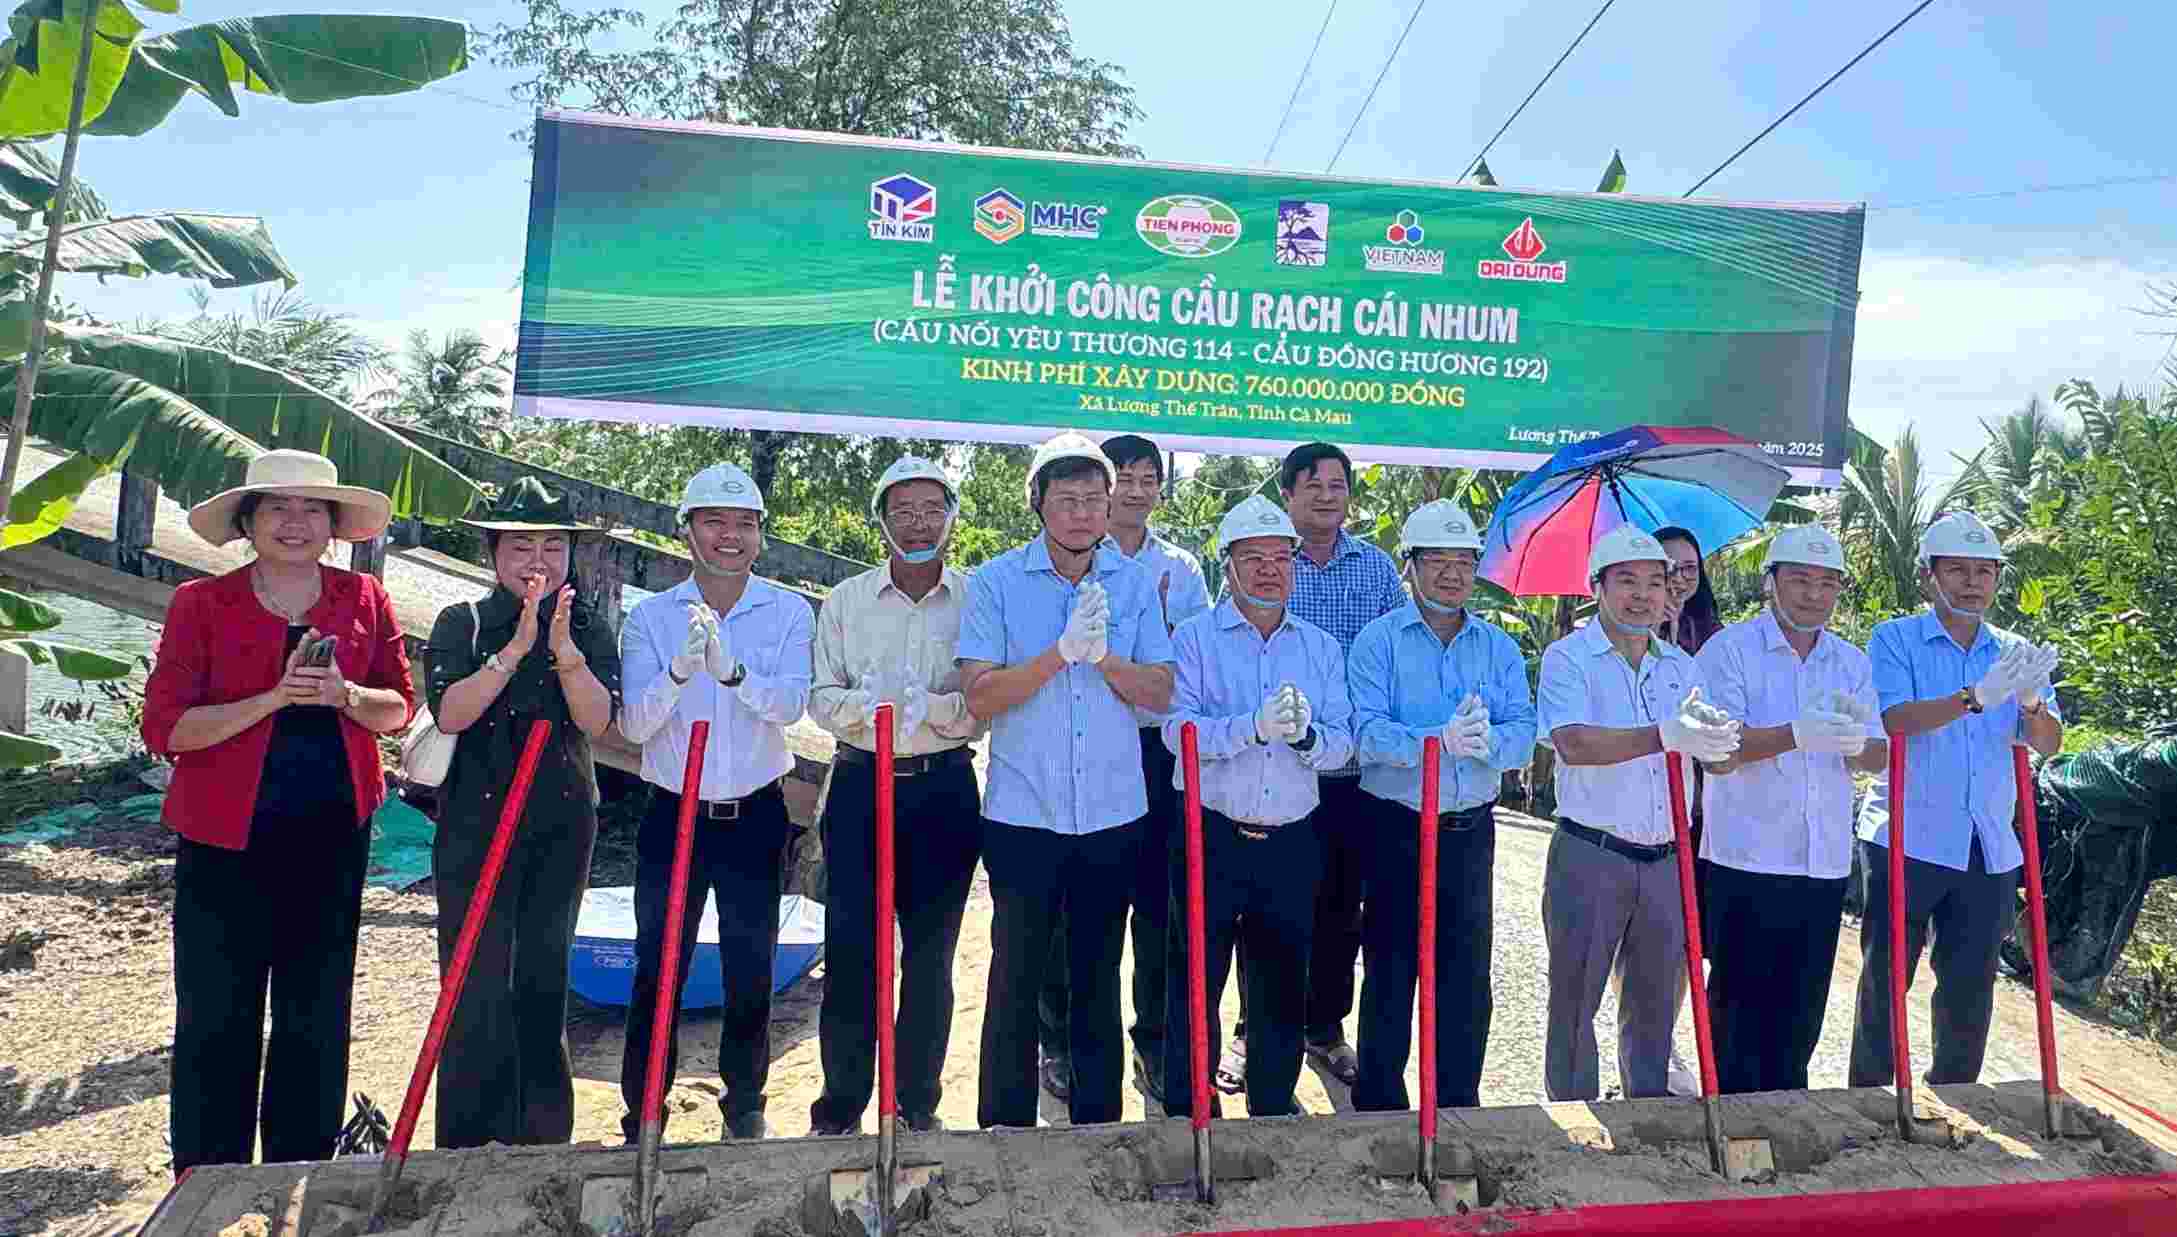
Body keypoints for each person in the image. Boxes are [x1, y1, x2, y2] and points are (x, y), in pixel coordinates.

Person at [142, 450, 414, 1171]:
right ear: (248, 520)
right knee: (215, 1012)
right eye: (277, 508)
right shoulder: (200, 603)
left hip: (333, 836)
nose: (295, 522)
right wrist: (273, 697)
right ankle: (207, 1175)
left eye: (311, 509)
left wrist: (344, 696)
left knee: (316, 1009)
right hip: (222, 839)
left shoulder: (364, 597)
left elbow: (397, 708)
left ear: (333, 523)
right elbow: (167, 729)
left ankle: (301, 1167)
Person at [957, 430, 1175, 1128]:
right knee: (1015, 977)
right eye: (1066, 500)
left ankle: (1098, 1126)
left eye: (1093, 500)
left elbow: (1160, 691)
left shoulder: (1134, 583)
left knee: (1097, 972)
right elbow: (980, 696)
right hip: (1024, 813)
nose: (1081, 514)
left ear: (1110, 506)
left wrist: (1104, 658)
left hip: (1113, 813)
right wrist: (1059, 653)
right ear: (1038, 504)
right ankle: (1004, 1124)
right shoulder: (995, 582)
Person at [618, 462, 814, 1143]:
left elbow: (790, 705)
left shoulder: (787, 611)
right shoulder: (650, 617)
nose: (730, 536)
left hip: (753, 814)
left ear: (760, 534)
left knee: (750, 963)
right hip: (674, 813)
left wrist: (733, 672)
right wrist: (680, 670)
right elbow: (635, 725)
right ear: (687, 530)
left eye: (744, 524)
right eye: (714, 522)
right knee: (658, 965)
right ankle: (644, 1107)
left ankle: (745, 1102)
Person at [424, 476, 621, 1148]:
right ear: (493, 552)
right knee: (474, 980)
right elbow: (452, 713)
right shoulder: (464, 622)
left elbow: (596, 720)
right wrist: (514, 649)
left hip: (560, 820)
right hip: (475, 821)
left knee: (542, 977)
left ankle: (541, 1144)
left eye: (552, 547)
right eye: (520, 546)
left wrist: (562, 649)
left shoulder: (588, 626)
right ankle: (465, 1143)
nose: (537, 560)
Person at [1849, 512, 2062, 1088]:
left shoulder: (2016, 651)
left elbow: (2048, 743)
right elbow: (1893, 719)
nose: (1972, 583)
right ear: (1929, 576)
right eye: (1957, 570)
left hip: (1987, 843)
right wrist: (1973, 697)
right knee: (1886, 979)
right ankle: (1869, 1099)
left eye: (1984, 572)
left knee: (1971, 986)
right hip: (1907, 834)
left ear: (1997, 580)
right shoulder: (1895, 639)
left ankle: (1957, 1095)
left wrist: (2031, 703)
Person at [1216, 442, 1404, 1093]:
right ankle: (1253, 1032)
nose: (1327, 496)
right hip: (1270, 769)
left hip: (1347, 771)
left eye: (1337, 485)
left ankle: (1324, 1027)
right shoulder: (1260, 559)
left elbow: (1392, 654)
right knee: (1264, 912)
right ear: (1288, 494)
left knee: (1339, 909)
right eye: (1313, 485)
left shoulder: (1376, 569)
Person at [807, 457, 986, 1136]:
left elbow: (987, 701)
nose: (919, 523)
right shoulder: (846, 601)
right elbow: (820, 697)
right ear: (880, 520)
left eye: (933, 509)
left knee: (931, 956)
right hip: (861, 784)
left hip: (943, 790)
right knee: (853, 953)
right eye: (904, 510)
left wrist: (938, 709)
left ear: (952, 519)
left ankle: (915, 1105)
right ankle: (840, 1106)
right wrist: (869, 706)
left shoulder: (977, 600)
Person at [1161, 495, 1354, 1117]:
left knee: (1282, 984)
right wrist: (1250, 727)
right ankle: (1190, 1109)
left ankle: (1271, 1109)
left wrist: (1307, 738)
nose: (1270, 570)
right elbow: (1177, 731)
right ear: (1228, 566)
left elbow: (1344, 740)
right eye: (1254, 558)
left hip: (1292, 839)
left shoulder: (1319, 648)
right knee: (1195, 979)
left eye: (1281, 558)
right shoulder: (1195, 640)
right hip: (1211, 834)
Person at [1535, 524, 1742, 1101]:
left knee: (1654, 1005)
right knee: (1575, 1001)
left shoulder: (1680, 667)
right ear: (1597, 587)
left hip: (1667, 858)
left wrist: (1716, 744)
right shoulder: (1568, 658)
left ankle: (1646, 1115)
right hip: (1591, 852)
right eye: (1626, 580)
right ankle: (1574, 1117)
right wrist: (1664, 735)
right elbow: (1574, 742)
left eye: (1655, 582)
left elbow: (1717, 762)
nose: (1642, 595)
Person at [1037, 434, 1211, 1108]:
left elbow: (1188, 660)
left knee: (1158, 907)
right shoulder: (1063, 555)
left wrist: (1151, 618)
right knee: (1068, 905)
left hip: (1155, 749)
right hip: (1078, 744)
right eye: (1125, 479)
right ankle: (1059, 1041)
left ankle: (1154, 1042)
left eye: (1148, 479)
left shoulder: (1179, 568)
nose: (1136, 491)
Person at [1348, 500, 1536, 1112]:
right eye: (1437, 560)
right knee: (1391, 967)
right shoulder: (1378, 642)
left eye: (1464, 561)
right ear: (1410, 565)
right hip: (1396, 827)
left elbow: (1524, 729)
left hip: (1467, 831)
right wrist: (1436, 742)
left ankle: (1457, 1104)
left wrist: (1490, 743)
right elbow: (1366, 733)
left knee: (1465, 974)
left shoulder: (1498, 647)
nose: (1452, 574)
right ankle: (1380, 1105)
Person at [1695, 526, 1886, 1094]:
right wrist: (1795, 734)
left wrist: (1855, 744)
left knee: (1801, 1014)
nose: (1813, 594)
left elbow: (1877, 754)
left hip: (1821, 862)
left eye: (1827, 583)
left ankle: (1786, 1118)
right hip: (1746, 858)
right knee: (1737, 1010)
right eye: (1800, 580)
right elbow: (1718, 750)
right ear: (1770, 583)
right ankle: (1729, 1119)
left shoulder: (1850, 662)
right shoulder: (1729, 651)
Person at [1646, 525, 1725, 1096]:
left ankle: (1665, 1041)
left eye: (1688, 569)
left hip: (1703, 812)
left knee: (1683, 939)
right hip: (1644, 809)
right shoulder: (1622, 636)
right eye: (1665, 569)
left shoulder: (1717, 641)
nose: (1678, 579)